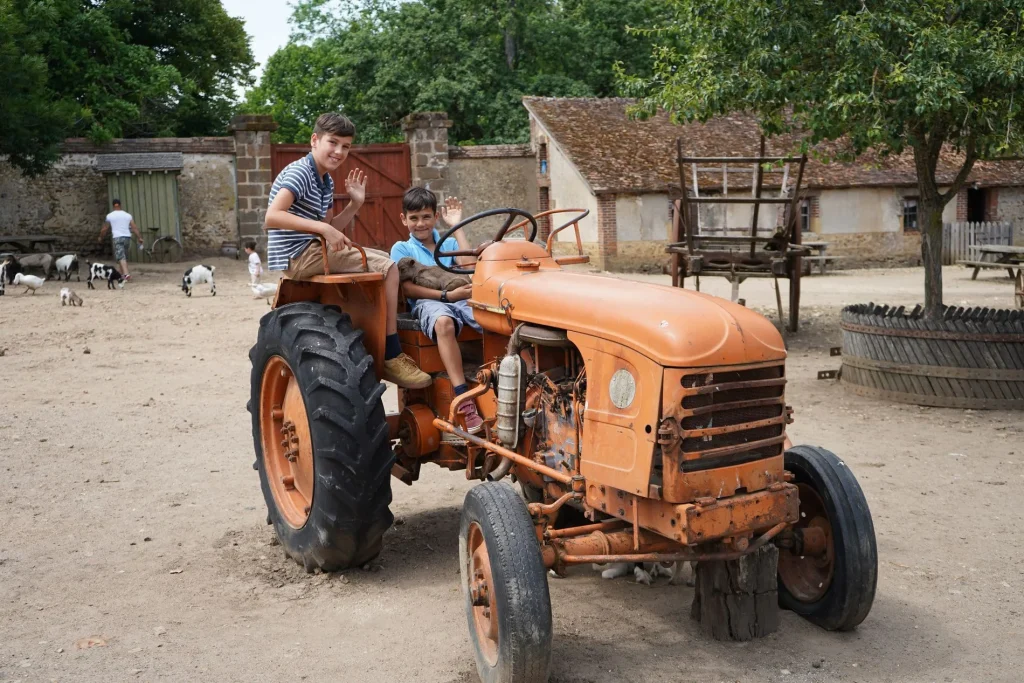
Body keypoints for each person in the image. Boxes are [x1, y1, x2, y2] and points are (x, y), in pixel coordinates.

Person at [264, 112, 430, 389]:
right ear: (315, 140)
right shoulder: (300, 172)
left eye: (346, 146)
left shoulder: (325, 181)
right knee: (389, 269)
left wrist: (355, 204)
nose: (339, 151)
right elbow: (272, 216)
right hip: (300, 254)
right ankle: (390, 352)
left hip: (315, 248)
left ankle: (383, 334)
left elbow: (330, 226)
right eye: (333, 142)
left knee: (388, 262)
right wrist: (323, 230)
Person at [390, 188, 483, 432]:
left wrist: (458, 225)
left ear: (436, 217)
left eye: (426, 217)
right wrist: (446, 296)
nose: (420, 223)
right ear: (404, 219)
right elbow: (408, 290)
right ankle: (463, 398)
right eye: (414, 218)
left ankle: (496, 380)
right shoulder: (402, 249)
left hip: (460, 298)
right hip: (428, 302)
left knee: (493, 315)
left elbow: (469, 267)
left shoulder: (449, 243)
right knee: (443, 322)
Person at [97, 199, 144, 281]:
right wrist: (139, 237)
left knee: (121, 257)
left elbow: (105, 228)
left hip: (117, 237)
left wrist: (101, 237)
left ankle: (126, 274)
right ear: (120, 205)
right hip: (127, 238)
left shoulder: (110, 216)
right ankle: (119, 274)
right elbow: (134, 227)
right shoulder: (128, 215)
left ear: (113, 206)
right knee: (123, 256)